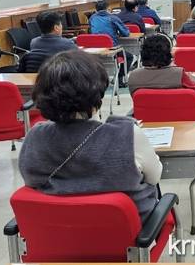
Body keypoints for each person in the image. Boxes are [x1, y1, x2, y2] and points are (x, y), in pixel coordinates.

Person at [19, 50, 162, 223]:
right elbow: (154, 177)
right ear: (97, 93)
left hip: (58, 229)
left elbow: (31, 182)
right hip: (127, 230)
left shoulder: (35, 137)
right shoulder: (128, 134)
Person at [128, 34, 195, 99]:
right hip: (176, 110)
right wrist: (193, 81)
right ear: (168, 54)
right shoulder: (179, 74)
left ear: (143, 54)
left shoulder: (133, 76)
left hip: (146, 111)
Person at [89, 0, 133, 85]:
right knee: (129, 57)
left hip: (95, 50)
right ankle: (119, 79)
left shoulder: (92, 18)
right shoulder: (113, 18)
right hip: (111, 49)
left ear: (96, 9)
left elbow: (91, 31)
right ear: (108, 8)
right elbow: (126, 33)